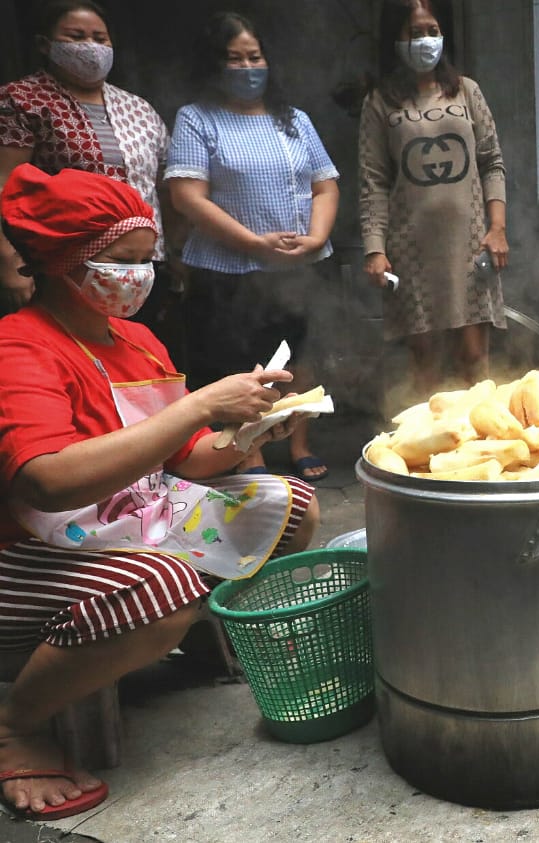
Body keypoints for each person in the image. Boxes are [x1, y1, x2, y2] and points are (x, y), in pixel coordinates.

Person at [0, 164, 319, 819]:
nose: (141, 275)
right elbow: (47, 480)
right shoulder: (19, 346)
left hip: (132, 515)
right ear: (67, 262)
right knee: (164, 585)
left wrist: (247, 429)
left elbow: (184, 457)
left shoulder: (138, 341)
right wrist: (201, 403)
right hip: (36, 547)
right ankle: (17, 722)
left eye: (148, 259)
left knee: (289, 507)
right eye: (123, 260)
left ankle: (200, 635)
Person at [166, 12, 338, 480]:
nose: (247, 67)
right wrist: (252, 243)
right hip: (226, 269)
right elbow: (186, 194)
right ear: (214, 65)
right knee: (237, 363)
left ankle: (300, 441)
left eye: (254, 56)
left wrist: (318, 237)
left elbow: (325, 184)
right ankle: (249, 452)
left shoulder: (294, 120)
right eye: (234, 59)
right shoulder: (197, 118)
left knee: (301, 357)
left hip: (300, 264)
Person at [0, 0, 181, 334]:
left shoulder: (138, 108)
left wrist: (172, 257)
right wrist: (9, 264)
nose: (91, 47)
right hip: (67, 268)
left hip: (142, 267)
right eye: (76, 36)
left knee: (134, 353)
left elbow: (163, 187)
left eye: (100, 38)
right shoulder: (20, 100)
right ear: (44, 44)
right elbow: (6, 185)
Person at [359, 0, 509, 401]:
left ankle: (482, 443)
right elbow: (373, 181)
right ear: (396, 39)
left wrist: (497, 229)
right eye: (414, 33)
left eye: (431, 31)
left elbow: (492, 162)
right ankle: (429, 453)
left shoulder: (466, 91)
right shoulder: (380, 101)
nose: (425, 40)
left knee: (474, 357)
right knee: (424, 360)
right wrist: (375, 249)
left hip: (471, 242)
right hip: (410, 250)